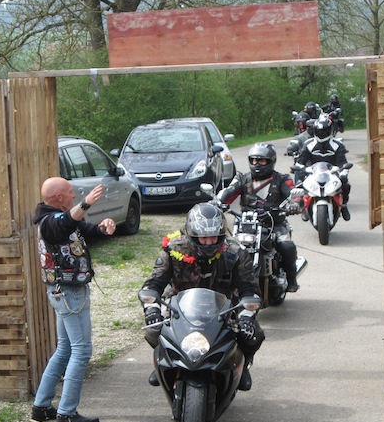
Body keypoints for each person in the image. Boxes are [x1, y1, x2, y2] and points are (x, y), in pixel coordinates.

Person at [141, 203, 263, 391]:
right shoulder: (172, 250)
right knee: (153, 330)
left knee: (253, 334)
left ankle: (242, 365)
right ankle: (165, 361)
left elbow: (249, 289)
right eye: (203, 238)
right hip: (179, 309)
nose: (209, 243)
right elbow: (153, 284)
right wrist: (152, 310)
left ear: (222, 235)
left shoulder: (236, 252)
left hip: (225, 308)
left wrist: (246, 316)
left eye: (214, 237)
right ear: (191, 235)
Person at [30, 177, 116, 422]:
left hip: (65, 294)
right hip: (69, 294)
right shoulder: (49, 222)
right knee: (82, 350)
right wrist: (86, 203)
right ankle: (67, 413)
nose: (74, 194)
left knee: (65, 349)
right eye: (70, 192)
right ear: (59, 197)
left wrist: (104, 227)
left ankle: (41, 407)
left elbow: (86, 229)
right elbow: (67, 221)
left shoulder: (62, 218)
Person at [217, 142, 301, 293]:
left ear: (271, 161)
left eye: (261, 160)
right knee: (225, 247)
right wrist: (217, 202)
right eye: (254, 160)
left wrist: (294, 203)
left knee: (287, 245)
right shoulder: (242, 178)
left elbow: (293, 192)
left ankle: (291, 278)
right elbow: (229, 192)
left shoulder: (281, 179)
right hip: (246, 223)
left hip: (274, 223)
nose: (256, 163)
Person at [296, 114, 352, 221]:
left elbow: (342, 162)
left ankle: (344, 205)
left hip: (332, 173)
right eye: (320, 131)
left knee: (345, 182)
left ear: (330, 131)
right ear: (315, 131)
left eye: (325, 131)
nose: (322, 134)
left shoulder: (337, 144)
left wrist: (343, 171)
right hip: (313, 172)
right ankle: (303, 205)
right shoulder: (309, 144)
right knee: (299, 183)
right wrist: (300, 168)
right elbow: (301, 161)